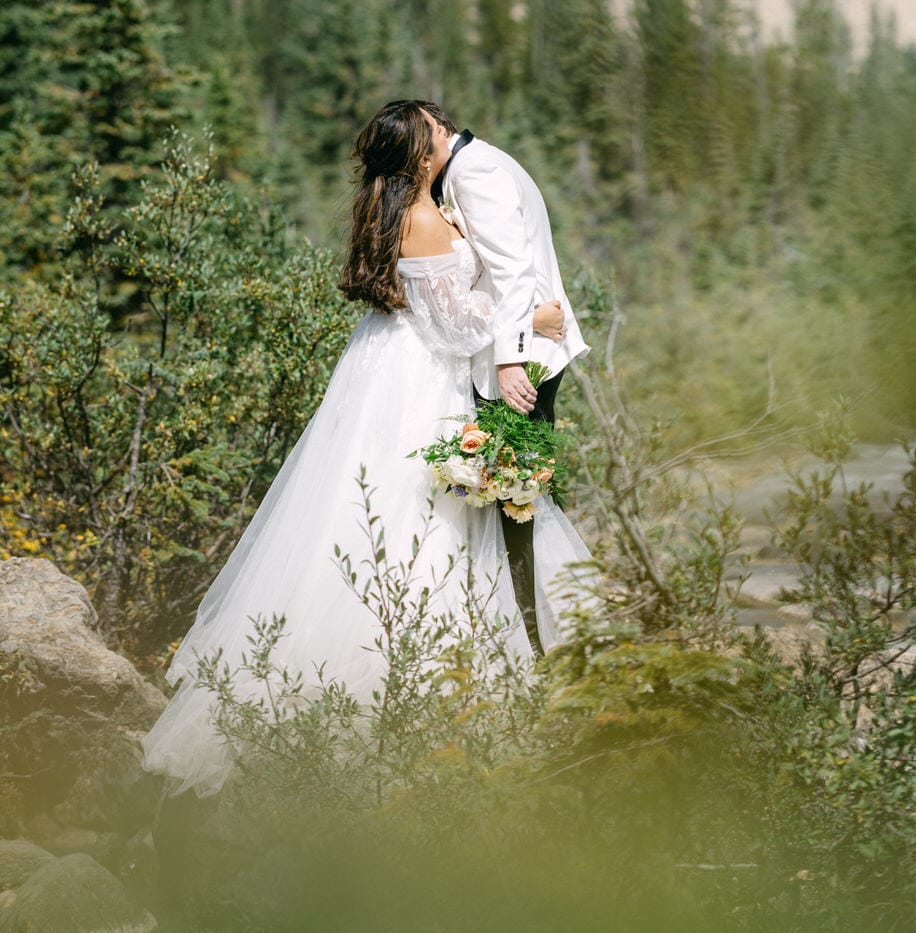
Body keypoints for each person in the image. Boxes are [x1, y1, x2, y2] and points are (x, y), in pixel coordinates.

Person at [140, 101, 593, 799]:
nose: (444, 139)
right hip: (420, 377)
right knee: (420, 515)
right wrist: (530, 321)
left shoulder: (396, 205)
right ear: (418, 154)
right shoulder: (417, 215)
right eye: (433, 134)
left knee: (387, 507)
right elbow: (449, 326)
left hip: (390, 364)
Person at [418, 101, 590, 652]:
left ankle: (540, 643)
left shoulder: (476, 171)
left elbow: (515, 274)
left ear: (441, 130)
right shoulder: (471, 167)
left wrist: (509, 359)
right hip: (521, 347)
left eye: (420, 135)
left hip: (521, 361)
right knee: (516, 497)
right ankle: (537, 636)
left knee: (516, 501)